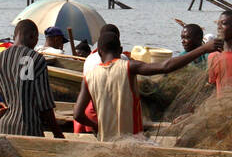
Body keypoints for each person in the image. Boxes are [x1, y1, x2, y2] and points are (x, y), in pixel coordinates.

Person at [74, 27, 217, 140]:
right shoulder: (129, 66)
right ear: (121, 50)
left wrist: (99, 125)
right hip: (133, 140)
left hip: (104, 139)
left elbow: (78, 115)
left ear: (98, 52)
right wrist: (203, 49)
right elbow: (166, 66)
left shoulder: (89, 77)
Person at [0, 19, 65, 138]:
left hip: (6, 126)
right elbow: (44, 104)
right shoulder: (36, 59)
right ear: (33, 37)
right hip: (29, 128)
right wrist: (57, 133)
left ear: (14, 36)